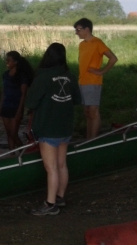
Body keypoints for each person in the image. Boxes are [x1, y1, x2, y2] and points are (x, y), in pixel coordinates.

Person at [25, 43, 81, 216]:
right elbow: (77, 99)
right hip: (65, 127)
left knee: (51, 168)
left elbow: (30, 102)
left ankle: (50, 204)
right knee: (62, 164)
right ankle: (60, 197)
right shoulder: (70, 76)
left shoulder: (42, 76)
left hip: (48, 128)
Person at [74, 18, 118, 139]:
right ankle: (89, 137)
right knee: (87, 112)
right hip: (82, 81)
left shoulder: (97, 43)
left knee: (93, 111)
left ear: (87, 29)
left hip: (93, 82)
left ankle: (93, 140)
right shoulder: (82, 45)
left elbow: (113, 58)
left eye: (78, 30)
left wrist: (101, 71)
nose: (76, 33)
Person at [0, 51, 34, 150]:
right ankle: (12, 155)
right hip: (6, 107)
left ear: (16, 62)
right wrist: (1, 107)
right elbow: (4, 92)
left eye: (9, 60)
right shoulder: (5, 75)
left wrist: (19, 110)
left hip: (16, 107)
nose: (7, 62)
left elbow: (23, 95)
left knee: (14, 134)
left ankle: (24, 151)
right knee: (9, 134)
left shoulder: (22, 76)